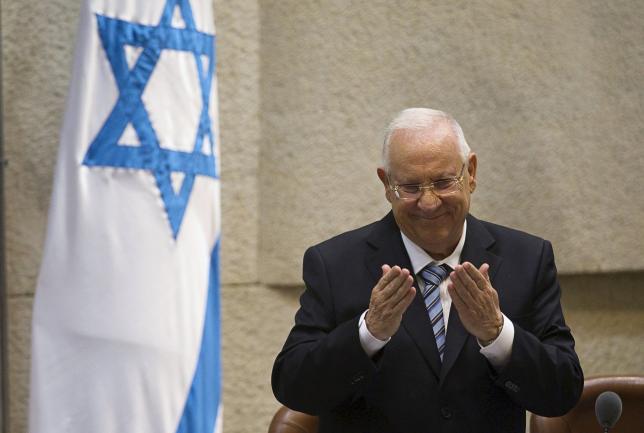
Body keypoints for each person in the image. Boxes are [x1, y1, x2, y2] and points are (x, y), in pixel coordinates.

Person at [272, 108, 583, 433]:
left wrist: (497, 333)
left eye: (443, 182)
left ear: (471, 173)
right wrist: (368, 333)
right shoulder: (335, 264)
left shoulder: (528, 258)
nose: (429, 202)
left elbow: (562, 393)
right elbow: (294, 388)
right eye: (410, 187)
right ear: (386, 184)